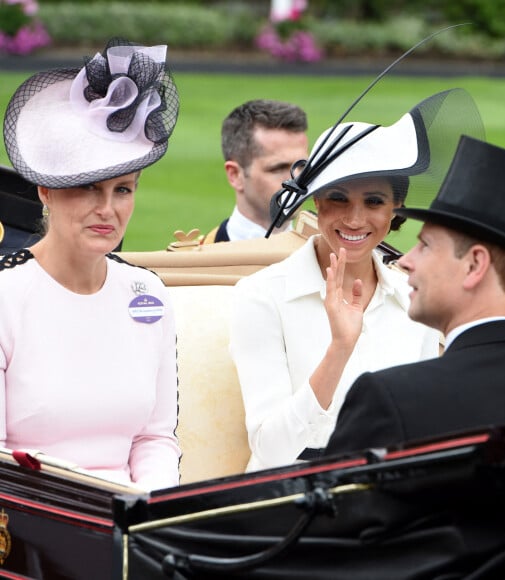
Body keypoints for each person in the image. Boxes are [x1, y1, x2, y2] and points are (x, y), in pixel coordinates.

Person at [323, 135, 505, 578]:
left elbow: (324, 549)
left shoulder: (390, 398)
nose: (405, 262)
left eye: (424, 245)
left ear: (474, 266)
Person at [230, 89, 485, 472]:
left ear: (395, 207)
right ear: (315, 201)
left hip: (389, 490)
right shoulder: (260, 296)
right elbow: (271, 449)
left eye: (374, 202)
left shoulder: (415, 302)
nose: (354, 219)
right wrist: (340, 347)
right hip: (287, 494)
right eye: (337, 198)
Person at [0, 39, 181, 491]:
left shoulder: (148, 294)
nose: (108, 208)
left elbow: (154, 438)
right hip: (32, 526)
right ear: (46, 190)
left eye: (124, 189)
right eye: (88, 188)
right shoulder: (6, 298)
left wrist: (152, 511)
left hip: (132, 521)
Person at [204, 99, 308, 243]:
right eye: (278, 168)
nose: (298, 180)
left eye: (302, 167)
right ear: (235, 175)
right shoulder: (190, 262)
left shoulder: (331, 258)